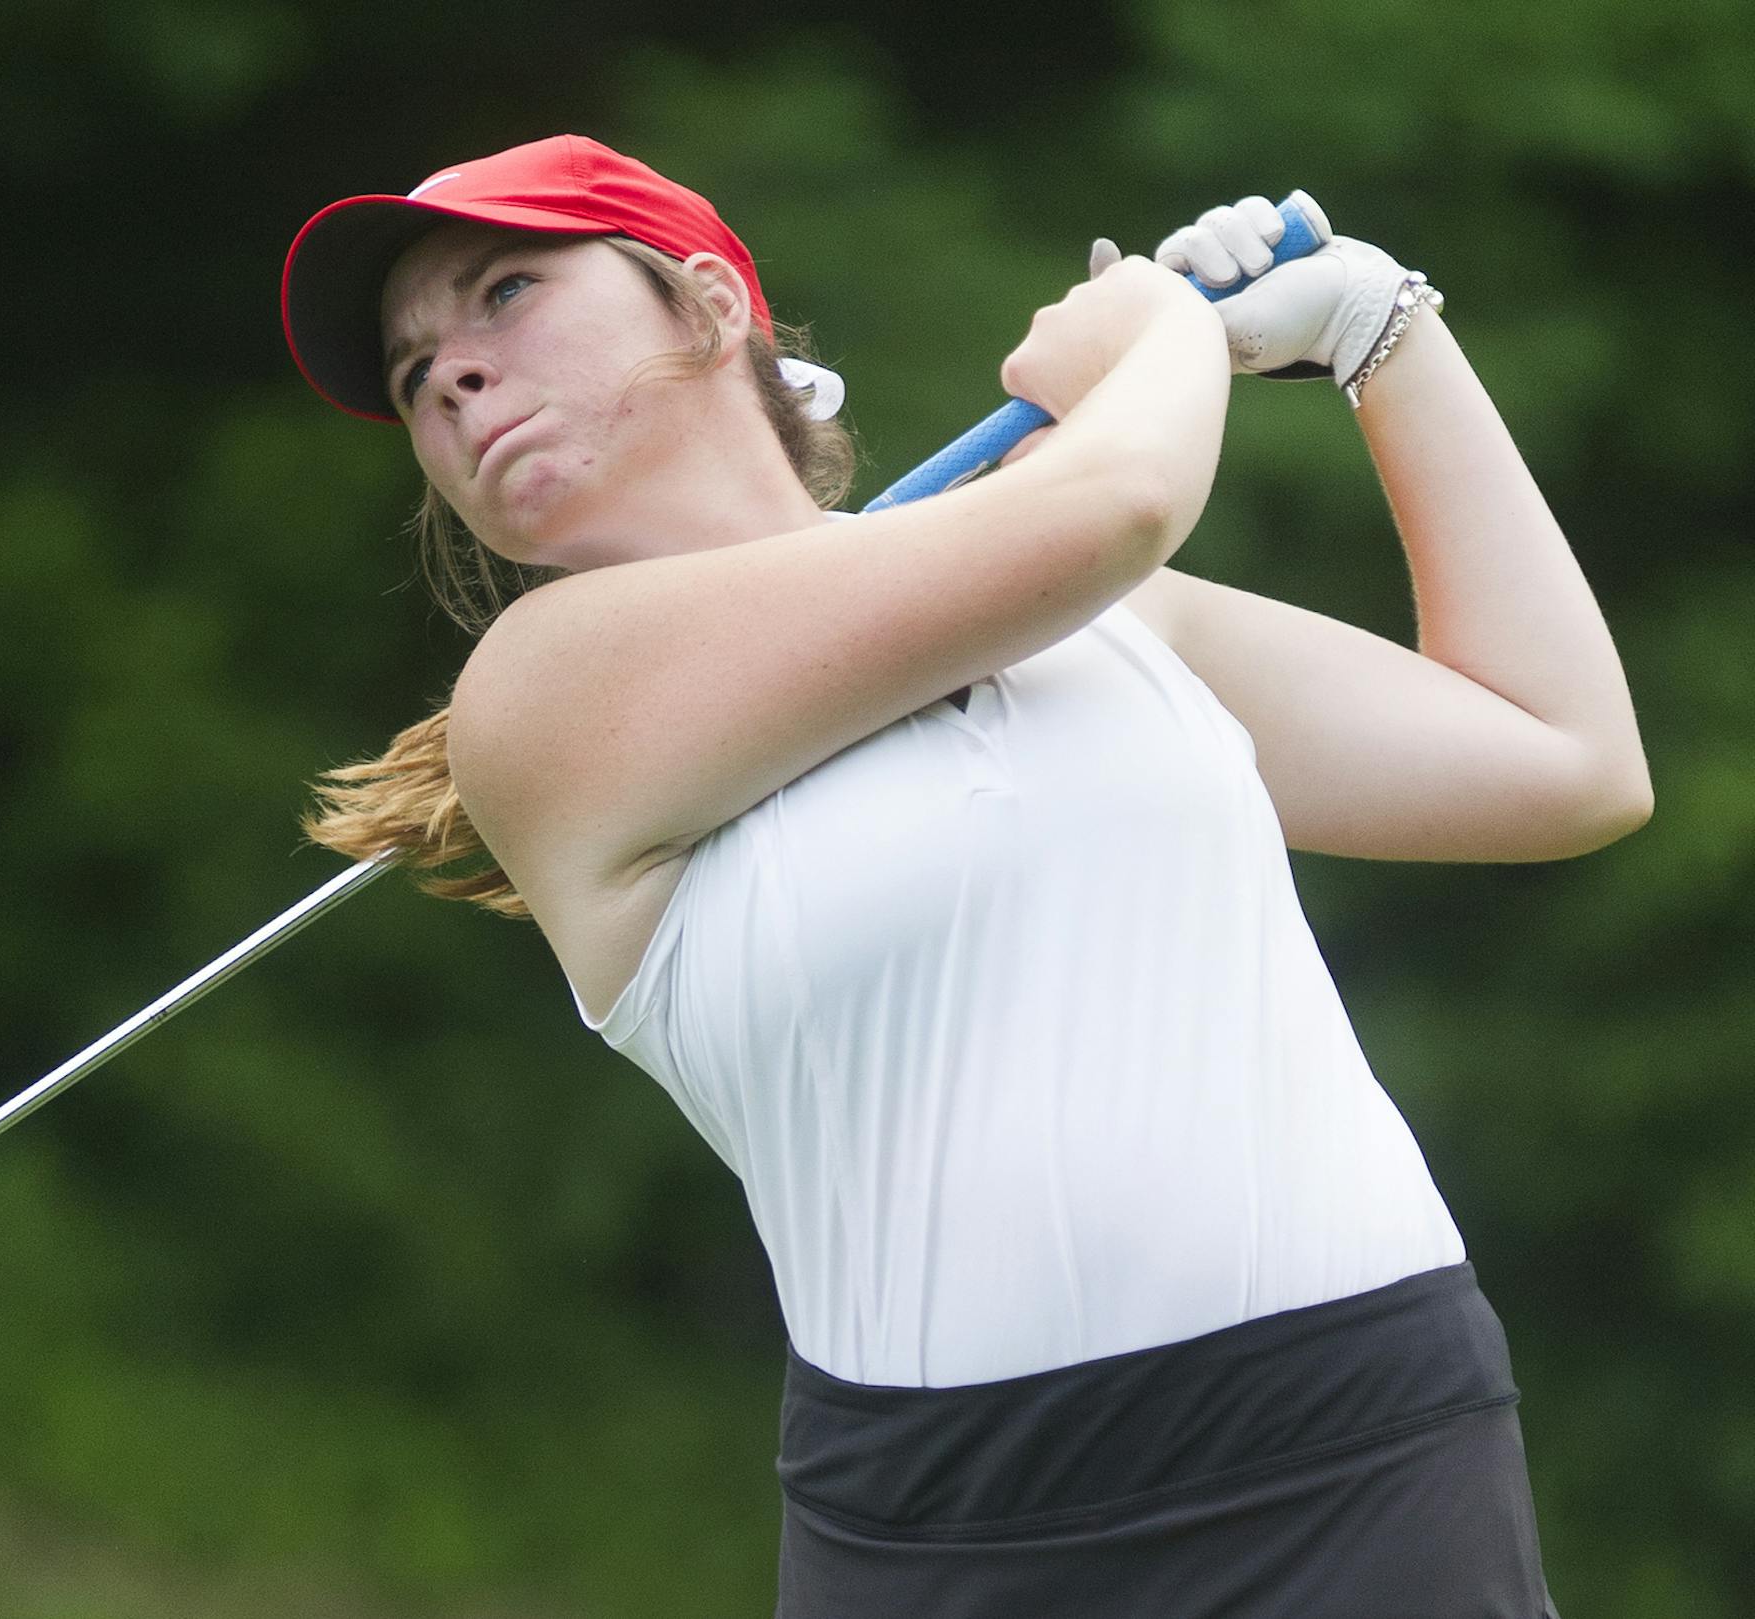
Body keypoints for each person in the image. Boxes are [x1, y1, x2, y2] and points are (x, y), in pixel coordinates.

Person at [281, 133, 1651, 1617]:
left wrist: (1380, 326)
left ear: (705, 302)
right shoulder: (541, 694)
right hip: (963, 1536)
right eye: (418, 379)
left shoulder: (1110, 614)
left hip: (1362, 1448)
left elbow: (1565, 759)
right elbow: (1122, 501)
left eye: (504, 294)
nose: (458, 377)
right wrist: (1159, 332)